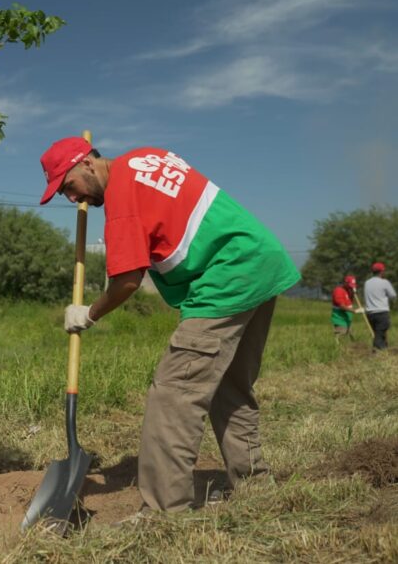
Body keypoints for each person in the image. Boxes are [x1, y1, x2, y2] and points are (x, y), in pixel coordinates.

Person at [38, 137, 300, 513]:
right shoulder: (146, 157)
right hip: (260, 259)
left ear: (88, 165)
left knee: (174, 395)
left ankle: (164, 511)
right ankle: (256, 485)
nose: (71, 198)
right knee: (230, 385)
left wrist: (88, 313)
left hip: (227, 275)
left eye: (68, 186)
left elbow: (128, 280)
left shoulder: (122, 200)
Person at [363, 262, 396, 351]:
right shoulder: (384, 282)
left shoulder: (367, 283)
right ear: (382, 272)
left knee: (378, 333)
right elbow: (393, 295)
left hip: (370, 313)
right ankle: (378, 351)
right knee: (380, 333)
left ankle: (383, 350)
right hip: (381, 312)